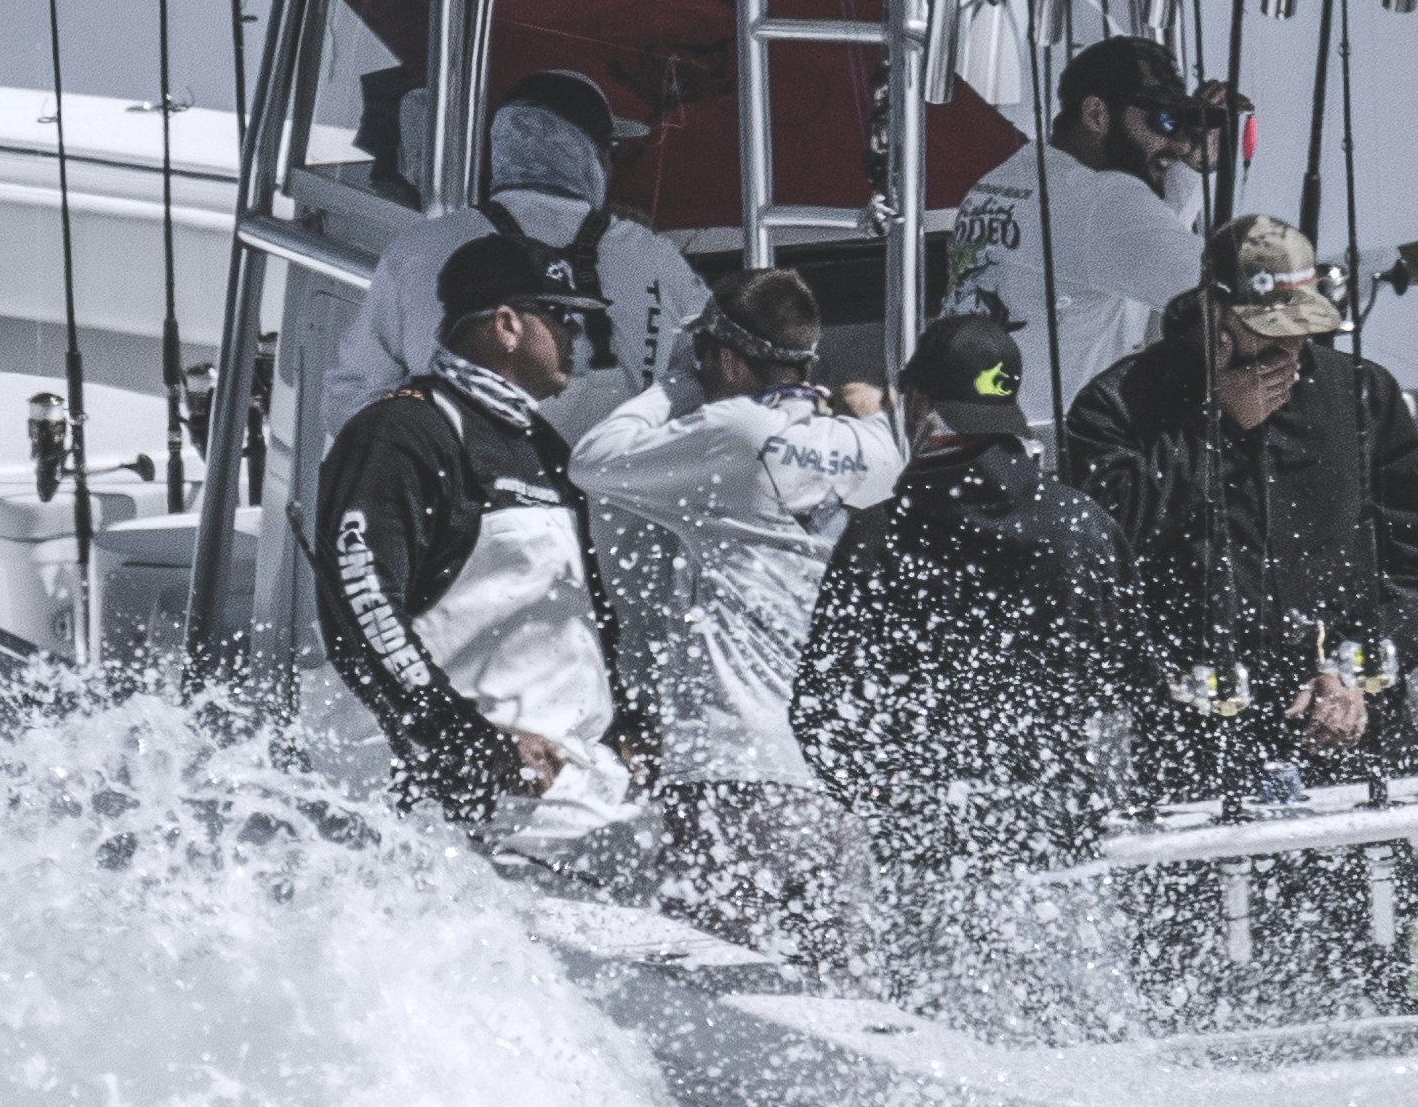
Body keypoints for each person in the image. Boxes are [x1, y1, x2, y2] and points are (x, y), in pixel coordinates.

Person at [1063, 220, 1418, 805]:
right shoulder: (1118, 404)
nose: (1292, 348)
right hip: (1196, 739)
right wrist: (1216, 428)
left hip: (1353, 727)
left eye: (1304, 327)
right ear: (1213, 312)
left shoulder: (1361, 394)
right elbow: (1106, 547)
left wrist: (1359, 668)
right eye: (1268, 330)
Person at [567, 263, 905, 942]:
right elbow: (892, 418)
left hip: (735, 766)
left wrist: (679, 381)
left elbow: (592, 460)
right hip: (833, 780)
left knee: (713, 999)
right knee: (830, 994)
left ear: (724, 357)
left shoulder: (732, 431)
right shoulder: (873, 445)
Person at [316, 228, 655, 842]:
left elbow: (584, 609)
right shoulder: (400, 432)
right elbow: (360, 607)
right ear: (507, 325)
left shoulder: (542, 445)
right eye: (563, 319)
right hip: (476, 802)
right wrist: (467, 742)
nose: (579, 339)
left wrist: (626, 718)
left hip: (575, 784)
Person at [793, 307, 1151, 884]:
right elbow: (1136, 685)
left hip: (927, 860)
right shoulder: (1084, 525)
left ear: (919, 406)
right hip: (1068, 853)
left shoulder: (880, 536)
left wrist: (888, 808)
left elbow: (820, 708)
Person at [315, 67, 692, 450]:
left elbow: (350, 403)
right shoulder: (653, 257)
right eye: (612, 153)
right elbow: (715, 379)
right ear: (592, 157)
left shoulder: (415, 250)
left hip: (466, 502)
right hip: (612, 502)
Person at [929, 33, 1229, 437]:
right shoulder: (1100, 203)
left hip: (961, 438)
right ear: (1097, 115)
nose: (1175, 142)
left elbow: (1131, 245)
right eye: (1163, 121)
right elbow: (1226, 293)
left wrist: (1190, 170)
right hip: (1041, 457)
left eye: (1181, 122)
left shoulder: (1009, 178)